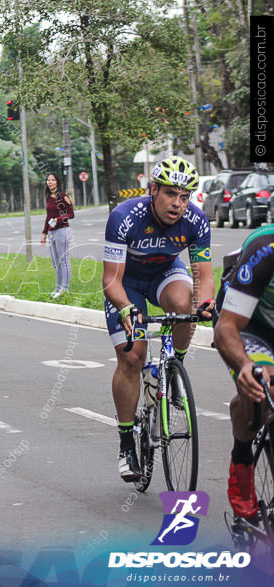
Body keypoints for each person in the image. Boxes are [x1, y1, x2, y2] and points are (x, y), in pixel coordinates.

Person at [102, 156, 213, 482]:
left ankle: (174, 367)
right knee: (133, 356)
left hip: (166, 273)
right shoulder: (124, 217)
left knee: (185, 304)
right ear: (153, 190)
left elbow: (203, 276)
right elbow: (111, 280)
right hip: (127, 284)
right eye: (170, 194)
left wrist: (206, 303)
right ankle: (126, 443)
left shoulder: (196, 221)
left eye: (184, 196)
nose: (177, 204)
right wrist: (125, 308)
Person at [213, 223, 274, 521]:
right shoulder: (265, 248)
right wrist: (246, 366)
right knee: (265, 386)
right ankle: (241, 454)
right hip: (248, 327)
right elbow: (226, 329)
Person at [40, 173, 75, 299]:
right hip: (51, 232)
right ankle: (58, 287)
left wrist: (58, 219)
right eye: (48, 180)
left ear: (57, 182)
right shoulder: (48, 197)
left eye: (52, 180)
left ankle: (64, 288)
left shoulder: (64, 196)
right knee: (55, 262)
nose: (50, 182)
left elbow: (71, 214)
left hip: (62, 230)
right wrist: (44, 233)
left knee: (63, 260)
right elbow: (48, 216)